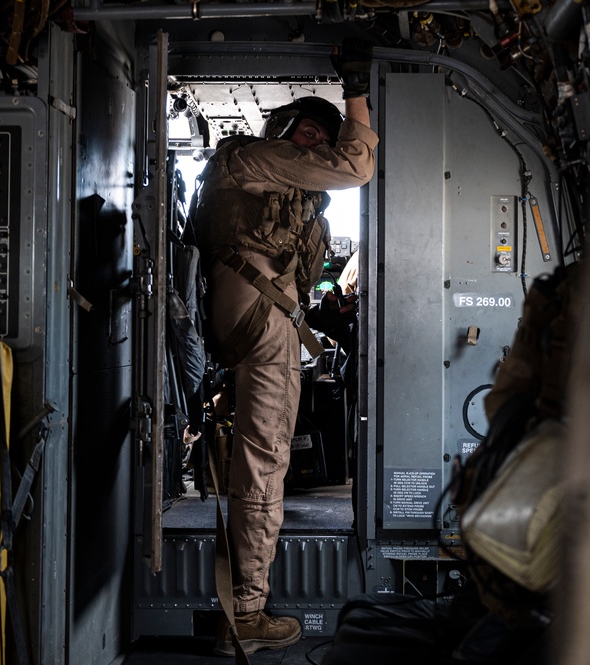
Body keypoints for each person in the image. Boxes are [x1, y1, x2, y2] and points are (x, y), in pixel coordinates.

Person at [192, 38, 378, 657]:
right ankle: (246, 610)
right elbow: (357, 165)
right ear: (282, 131)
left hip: (254, 320)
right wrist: (355, 86)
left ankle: (245, 601)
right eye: (306, 133)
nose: (314, 147)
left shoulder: (276, 188)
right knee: (265, 462)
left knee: (261, 458)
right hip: (257, 319)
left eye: (319, 140)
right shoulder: (255, 160)